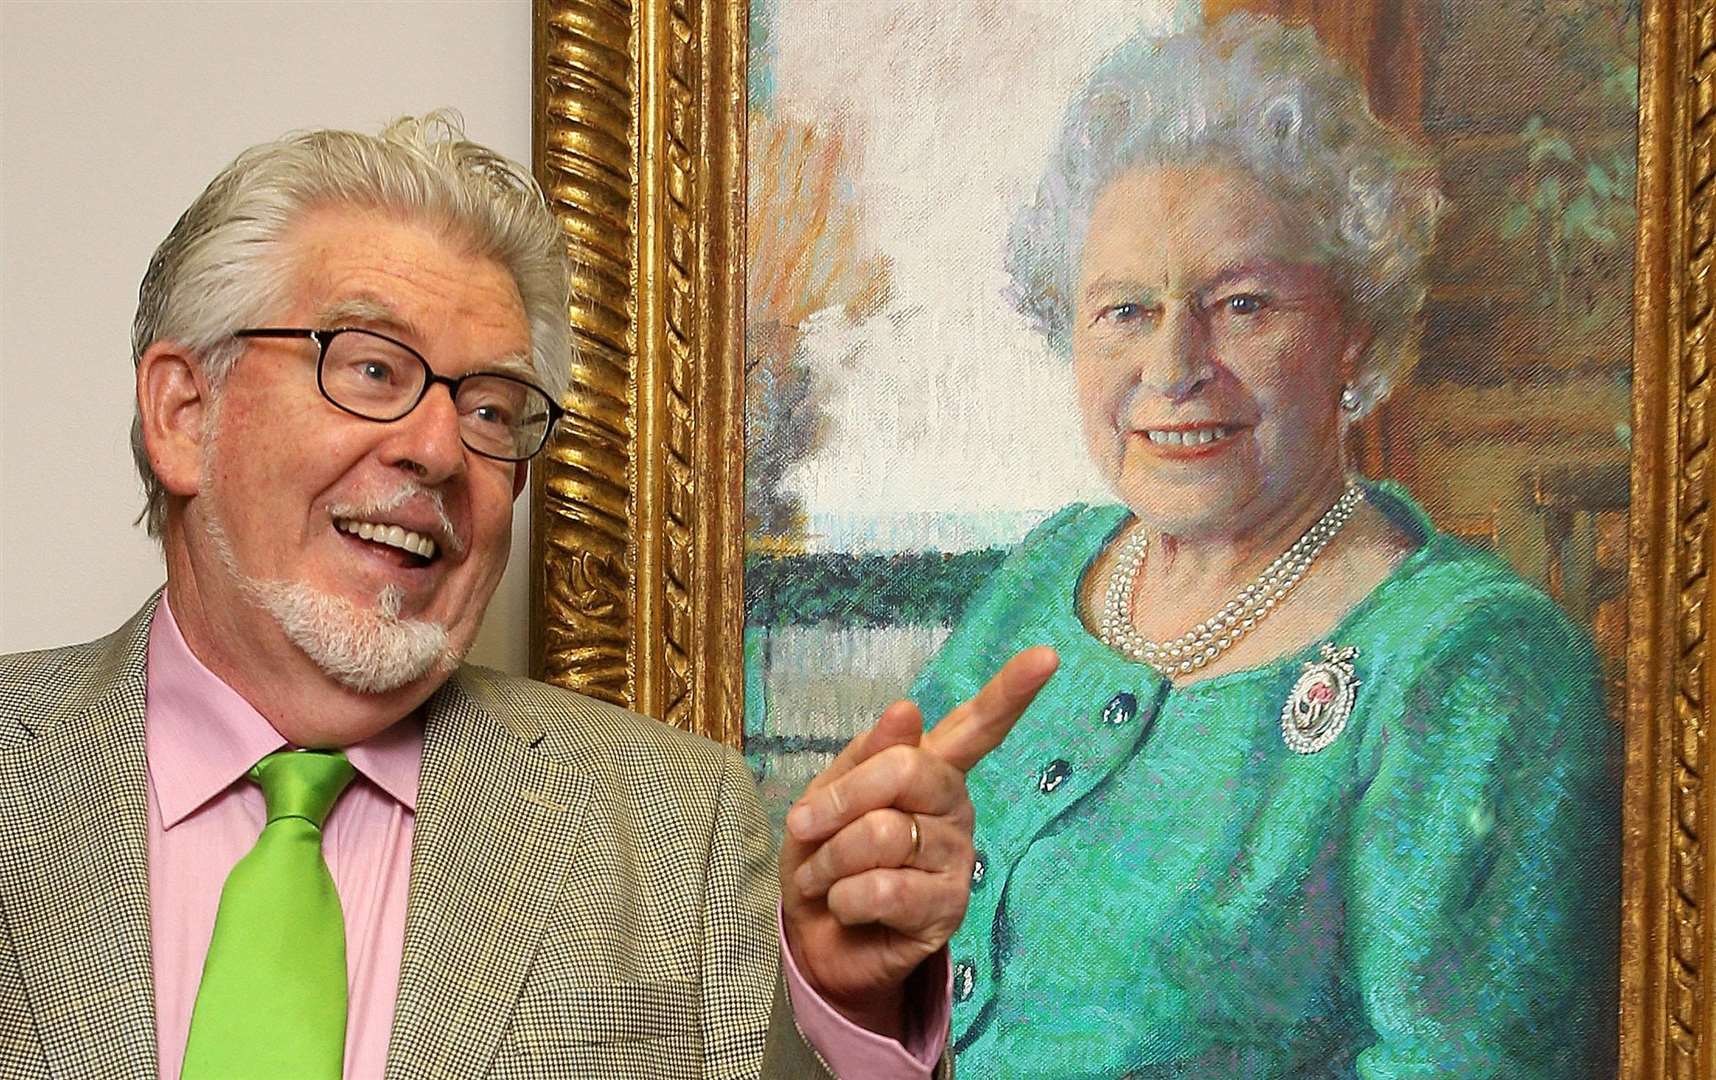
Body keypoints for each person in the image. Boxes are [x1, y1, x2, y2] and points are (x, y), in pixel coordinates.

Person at [0, 113, 1057, 1079]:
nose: (437, 448)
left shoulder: (680, 829)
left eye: (494, 410)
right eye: (372, 370)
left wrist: (844, 1008)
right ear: (185, 412)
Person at [909, 16, 1621, 1077]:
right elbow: (878, 936)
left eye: (1241, 305)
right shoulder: (1049, 577)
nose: (1173, 365)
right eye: (1124, 311)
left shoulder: (1472, 667)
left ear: (1358, 336)